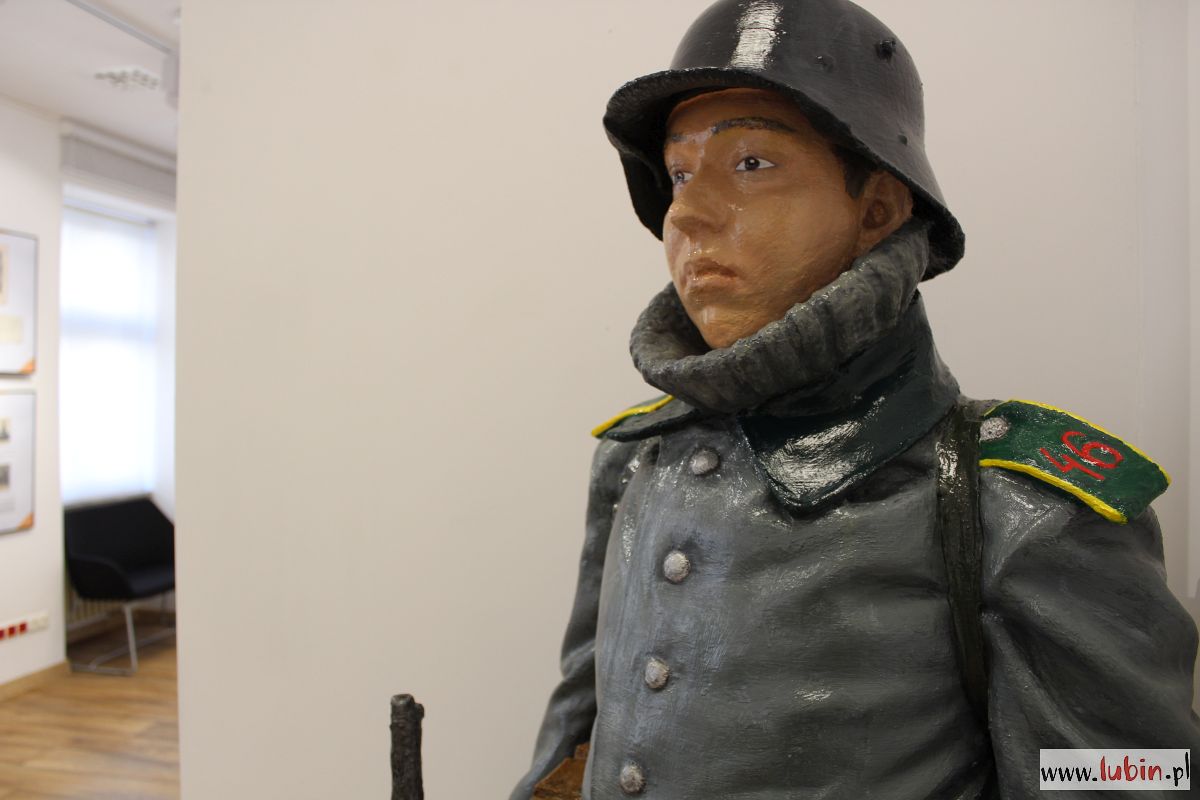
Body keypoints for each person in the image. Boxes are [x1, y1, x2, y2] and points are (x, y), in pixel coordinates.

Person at [512, 1, 1200, 797]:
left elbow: (1133, 778)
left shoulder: (1023, 505)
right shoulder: (634, 461)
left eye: (752, 163)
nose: (687, 214)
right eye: (679, 174)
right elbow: (576, 743)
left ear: (876, 210)